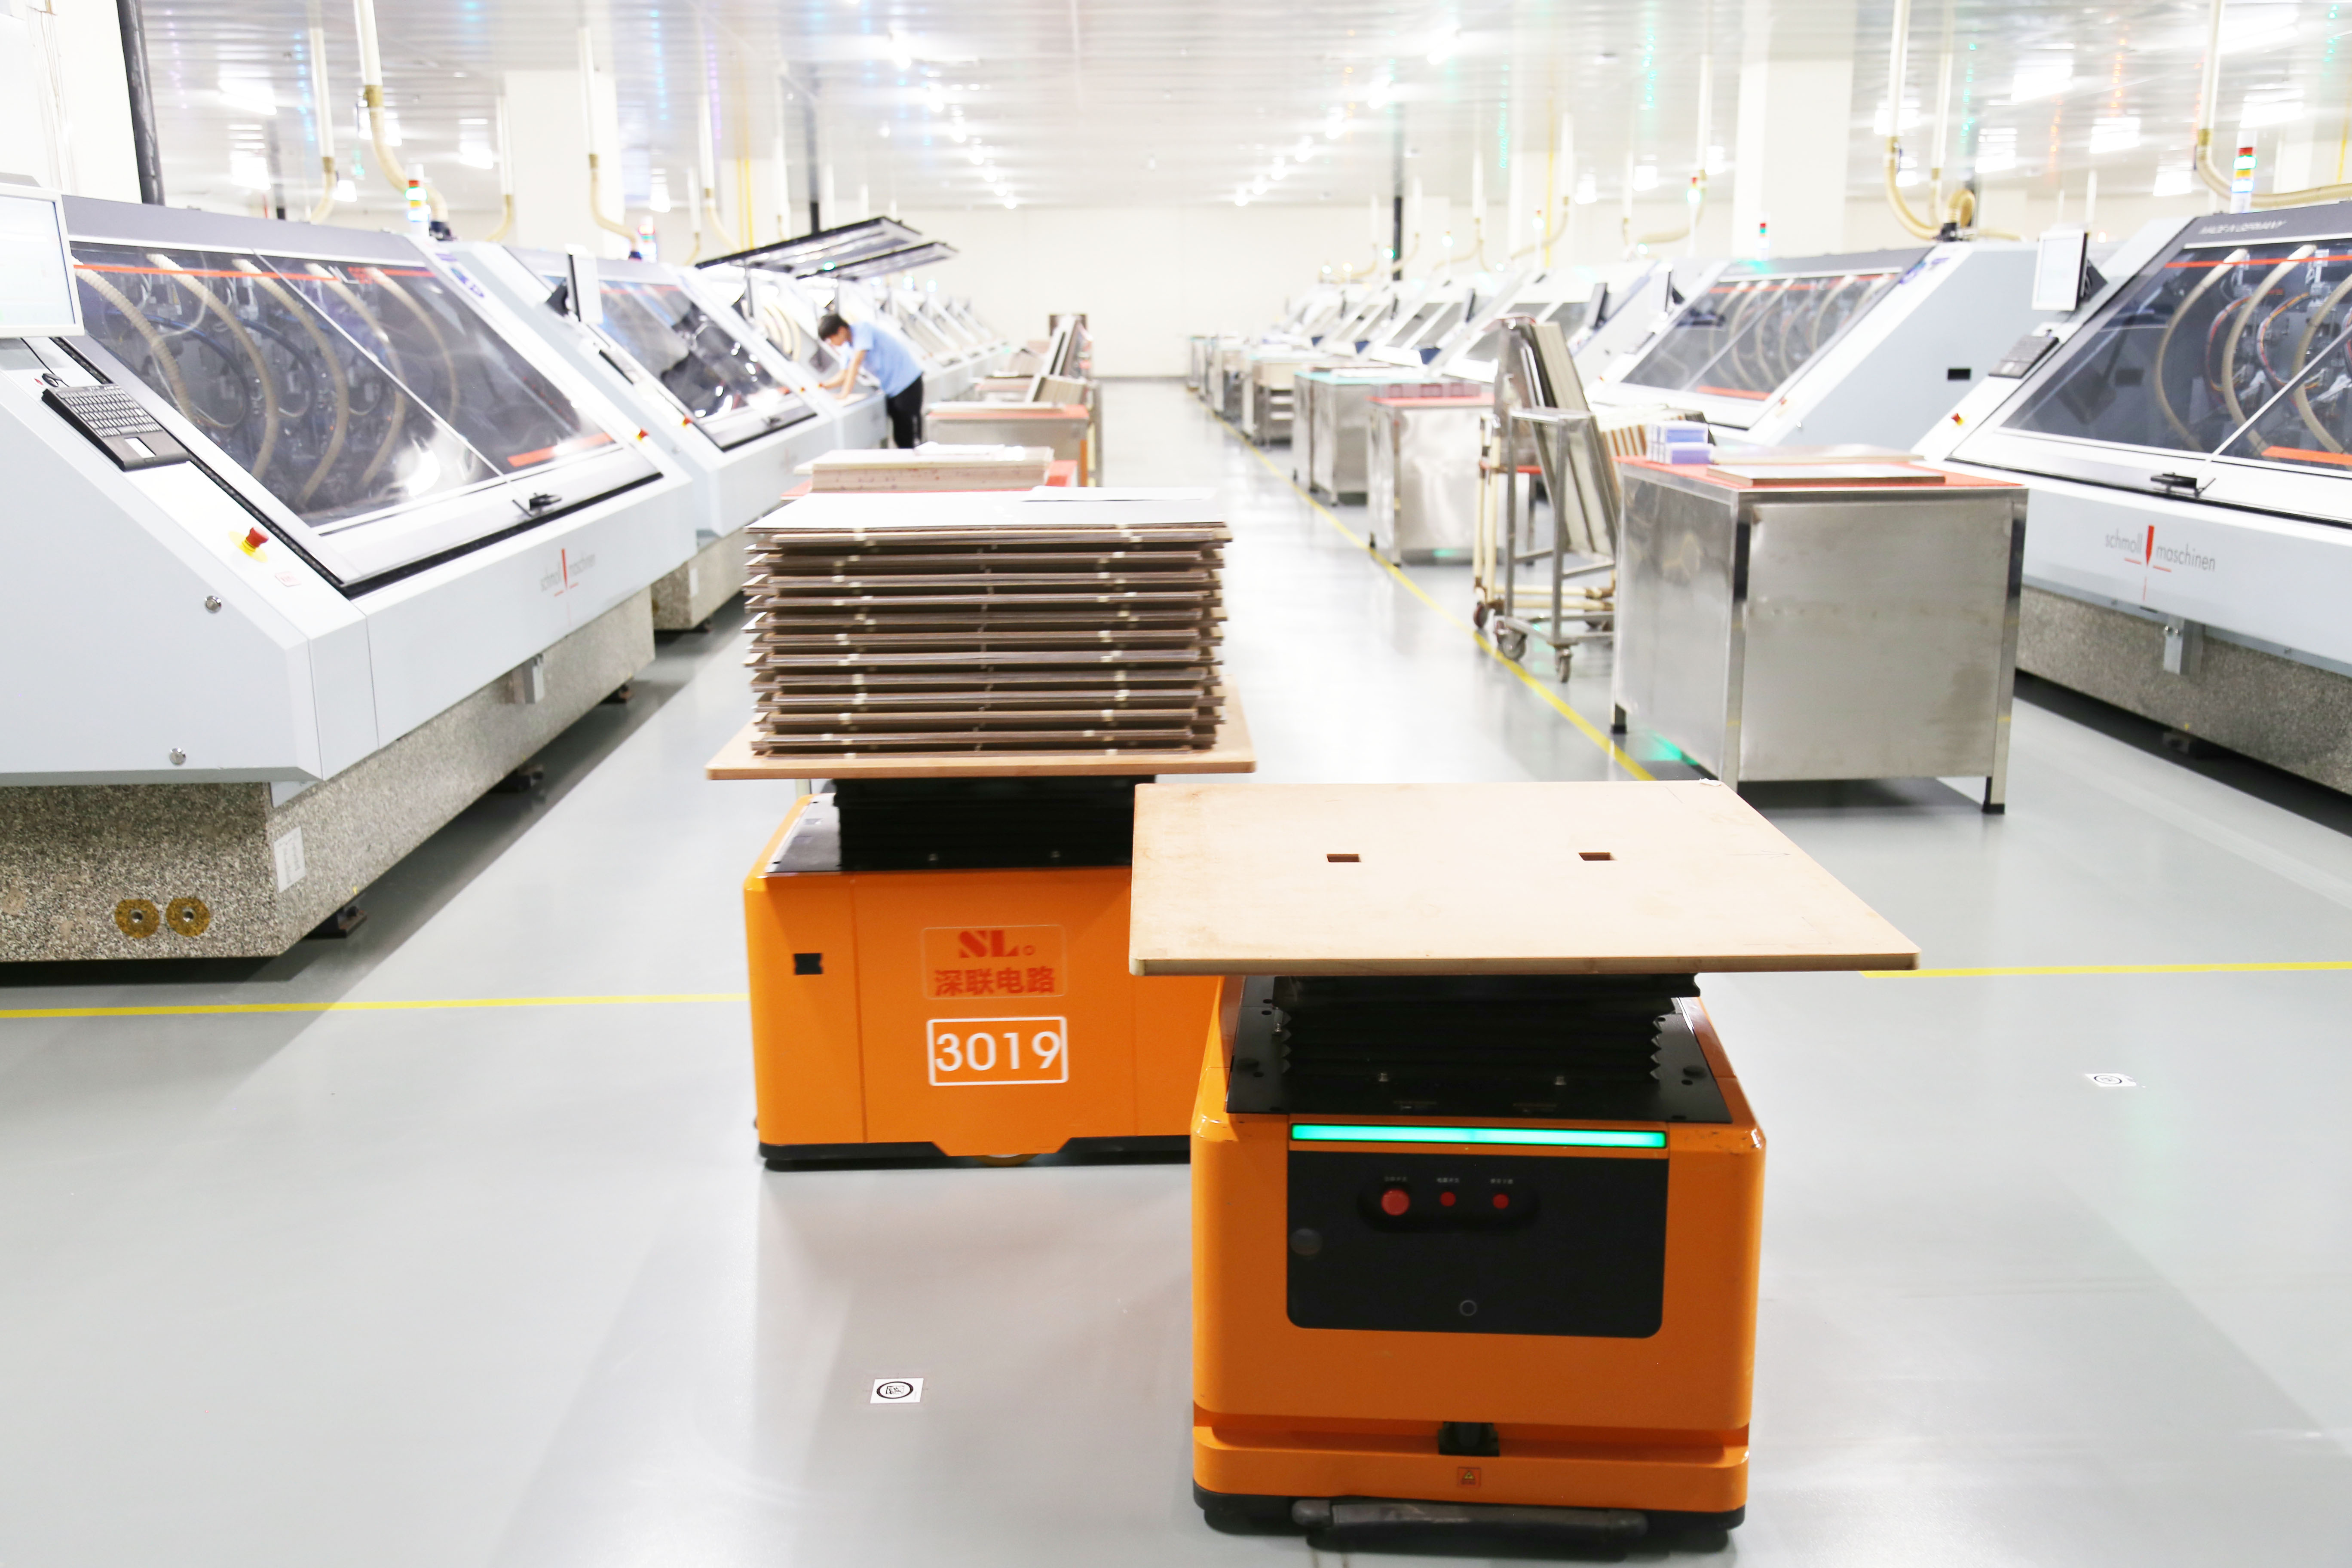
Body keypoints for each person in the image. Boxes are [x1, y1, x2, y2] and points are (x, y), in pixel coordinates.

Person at [817, 311, 925, 448]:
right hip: (892, 389)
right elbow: (844, 374)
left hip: (907, 383)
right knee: (900, 436)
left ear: (841, 331)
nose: (831, 344)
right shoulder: (847, 347)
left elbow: (856, 364)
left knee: (910, 435)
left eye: (831, 339)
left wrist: (845, 394)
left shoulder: (863, 330)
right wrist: (823, 386)